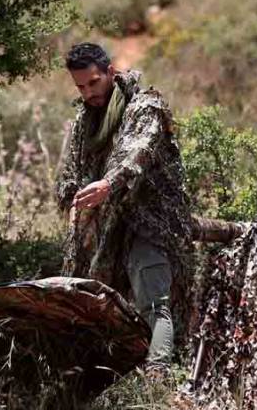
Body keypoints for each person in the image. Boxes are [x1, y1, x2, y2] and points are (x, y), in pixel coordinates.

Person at [55, 42, 194, 372]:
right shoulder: (85, 122)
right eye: (81, 86)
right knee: (95, 307)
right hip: (107, 230)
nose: (89, 92)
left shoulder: (146, 107)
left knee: (155, 305)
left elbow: (137, 155)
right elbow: (70, 173)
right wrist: (73, 202)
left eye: (94, 82)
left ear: (110, 73)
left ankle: (157, 384)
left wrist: (107, 185)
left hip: (150, 222)